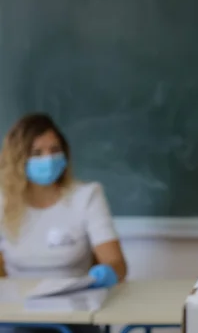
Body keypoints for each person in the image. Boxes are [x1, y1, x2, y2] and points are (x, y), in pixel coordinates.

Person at [0, 113, 127, 333]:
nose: (48, 159)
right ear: (18, 158)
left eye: (54, 150)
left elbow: (117, 263)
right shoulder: (2, 202)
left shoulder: (87, 196)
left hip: (75, 313)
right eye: (36, 153)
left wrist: (107, 273)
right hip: (16, 314)